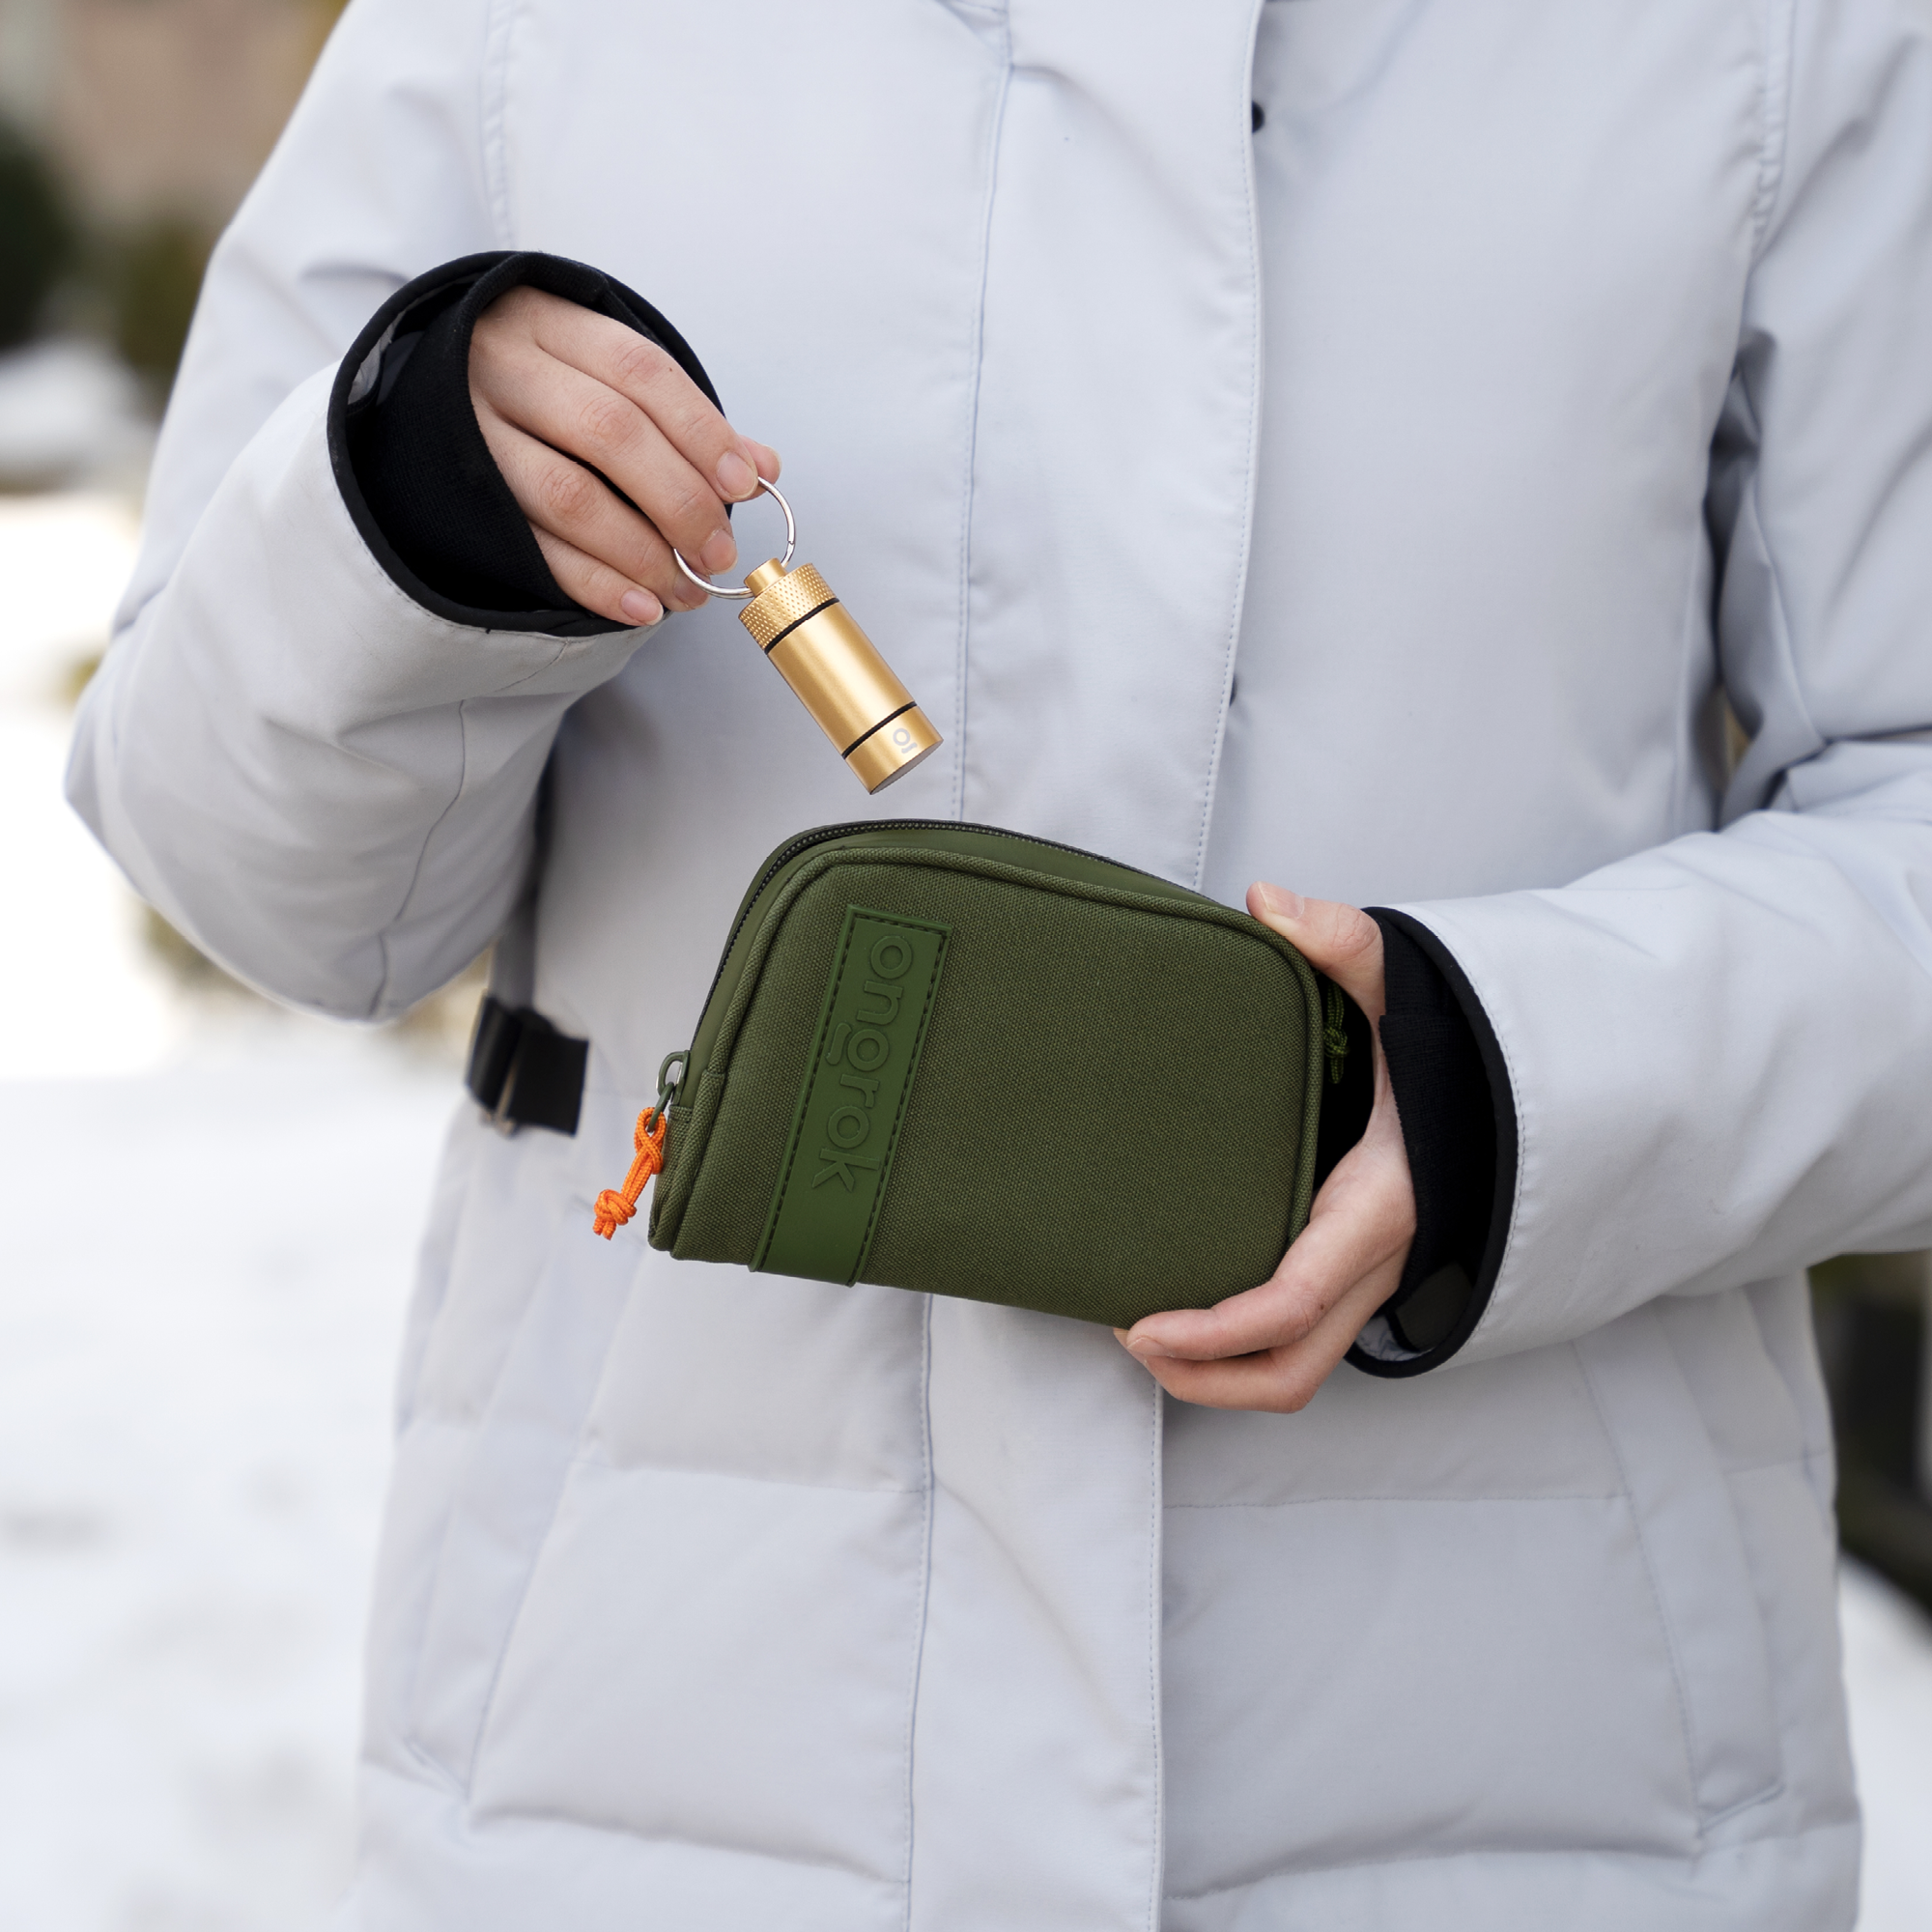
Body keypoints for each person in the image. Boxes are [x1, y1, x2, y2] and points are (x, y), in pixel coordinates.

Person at [67, 0, 1932, 1924]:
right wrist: (405, 510)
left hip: (1527, 1773)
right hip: (659, 1762)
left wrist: (1520, 1085)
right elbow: (248, 873)